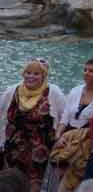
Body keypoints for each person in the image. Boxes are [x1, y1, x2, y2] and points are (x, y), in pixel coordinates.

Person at [0, 58, 66, 192]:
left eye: (36, 74)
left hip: (39, 151)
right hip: (13, 149)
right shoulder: (12, 91)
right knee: (11, 182)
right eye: (28, 72)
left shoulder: (53, 92)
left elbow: (64, 117)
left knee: (35, 184)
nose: (31, 76)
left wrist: (60, 138)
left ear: (44, 76)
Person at [51, 58, 93, 192]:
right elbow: (65, 117)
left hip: (85, 141)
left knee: (78, 179)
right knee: (61, 175)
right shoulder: (76, 90)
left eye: (90, 71)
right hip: (67, 137)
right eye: (85, 70)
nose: (86, 73)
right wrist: (59, 135)